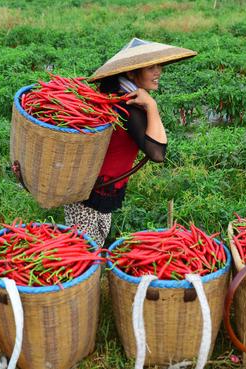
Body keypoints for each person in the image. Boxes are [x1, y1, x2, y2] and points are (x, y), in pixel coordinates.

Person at [63, 38, 197, 247]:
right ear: (131, 73)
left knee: (92, 252)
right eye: (151, 67)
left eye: (159, 66)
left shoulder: (121, 98)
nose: (158, 72)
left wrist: (150, 105)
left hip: (96, 191)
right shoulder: (126, 106)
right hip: (88, 195)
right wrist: (152, 106)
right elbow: (157, 153)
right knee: (86, 257)